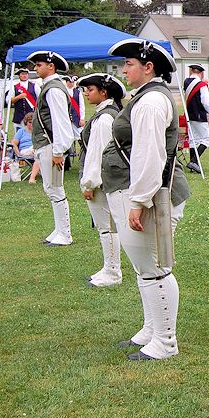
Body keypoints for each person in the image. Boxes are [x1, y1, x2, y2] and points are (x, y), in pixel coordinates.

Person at [102, 38, 190, 361]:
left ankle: (165, 342)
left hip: (153, 196)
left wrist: (139, 201)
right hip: (145, 194)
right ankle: (152, 330)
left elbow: (149, 156)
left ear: (147, 66)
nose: (123, 69)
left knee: (155, 268)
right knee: (145, 267)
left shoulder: (151, 103)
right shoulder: (146, 97)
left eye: (129, 64)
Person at [78, 73, 126, 287]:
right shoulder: (106, 114)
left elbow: (100, 154)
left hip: (103, 181)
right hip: (106, 180)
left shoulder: (105, 118)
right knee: (106, 227)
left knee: (107, 227)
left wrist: (89, 183)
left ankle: (113, 272)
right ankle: (108, 267)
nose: (87, 93)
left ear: (104, 92)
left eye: (90, 89)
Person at [28, 51, 74, 247]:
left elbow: (60, 122)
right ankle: (58, 229)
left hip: (51, 145)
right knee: (50, 188)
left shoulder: (54, 89)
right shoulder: (49, 87)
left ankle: (65, 233)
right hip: (46, 145)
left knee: (56, 188)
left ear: (50, 66)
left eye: (38, 65)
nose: (35, 69)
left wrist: (58, 151)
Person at [183, 64, 209, 174]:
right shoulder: (201, 84)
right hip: (199, 115)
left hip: (189, 114)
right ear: (201, 73)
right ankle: (193, 161)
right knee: (206, 140)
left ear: (191, 71)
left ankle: (194, 165)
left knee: (193, 140)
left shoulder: (186, 82)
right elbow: (206, 102)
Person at [7, 67, 39, 131]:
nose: (24, 75)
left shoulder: (34, 86)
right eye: (22, 74)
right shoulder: (14, 87)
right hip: (19, 117)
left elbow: (40, 98)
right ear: (19, 75)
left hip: (31, 116)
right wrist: (19, 97)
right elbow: (8, 101)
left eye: (25, 74)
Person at [12, 112, 40, 183]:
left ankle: (33, 177)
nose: (31, 124)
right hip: (25, 151)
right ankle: (33, 178)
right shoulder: (21, 131)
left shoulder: (38, 132)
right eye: (30, 122)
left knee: (39, 155)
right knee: (38, 151)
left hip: (35, 151)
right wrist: (18, 153)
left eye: (33, 122)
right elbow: (13, 143)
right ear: (26, 122)